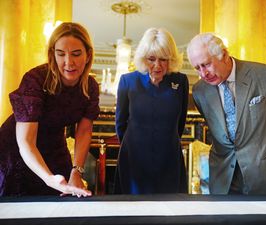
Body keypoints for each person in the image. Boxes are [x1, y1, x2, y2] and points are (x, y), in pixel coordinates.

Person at [0, 22, 100, 197]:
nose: (69, 62)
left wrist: (76, 171)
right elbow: (26, 142)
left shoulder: (90, 87)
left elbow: (84, 132)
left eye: (76, 54)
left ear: (88, 55)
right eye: (61, 54)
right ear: (53, 54)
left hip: (55, 147)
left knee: (62, 201)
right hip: (17, 148)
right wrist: (48, 178)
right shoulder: (36, 79)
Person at [187, 33, 266, 195]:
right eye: (197, 68)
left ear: (224, 55)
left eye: (206, 65)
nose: (202, 74)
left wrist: (258, 141)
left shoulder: (264, 75)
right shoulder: (200, 91)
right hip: (223, 177)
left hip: (264, 172)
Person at [114, 28, 189, 194]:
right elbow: (120, 123)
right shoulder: (128, 81)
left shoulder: (180, 81)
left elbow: (180, 122)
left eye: (163, 59)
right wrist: (132, 146)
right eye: (151, 59)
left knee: (169, 211)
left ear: (171, 59)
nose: (157, 65)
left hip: (169, 157)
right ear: (143, 58)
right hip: (134, 156)